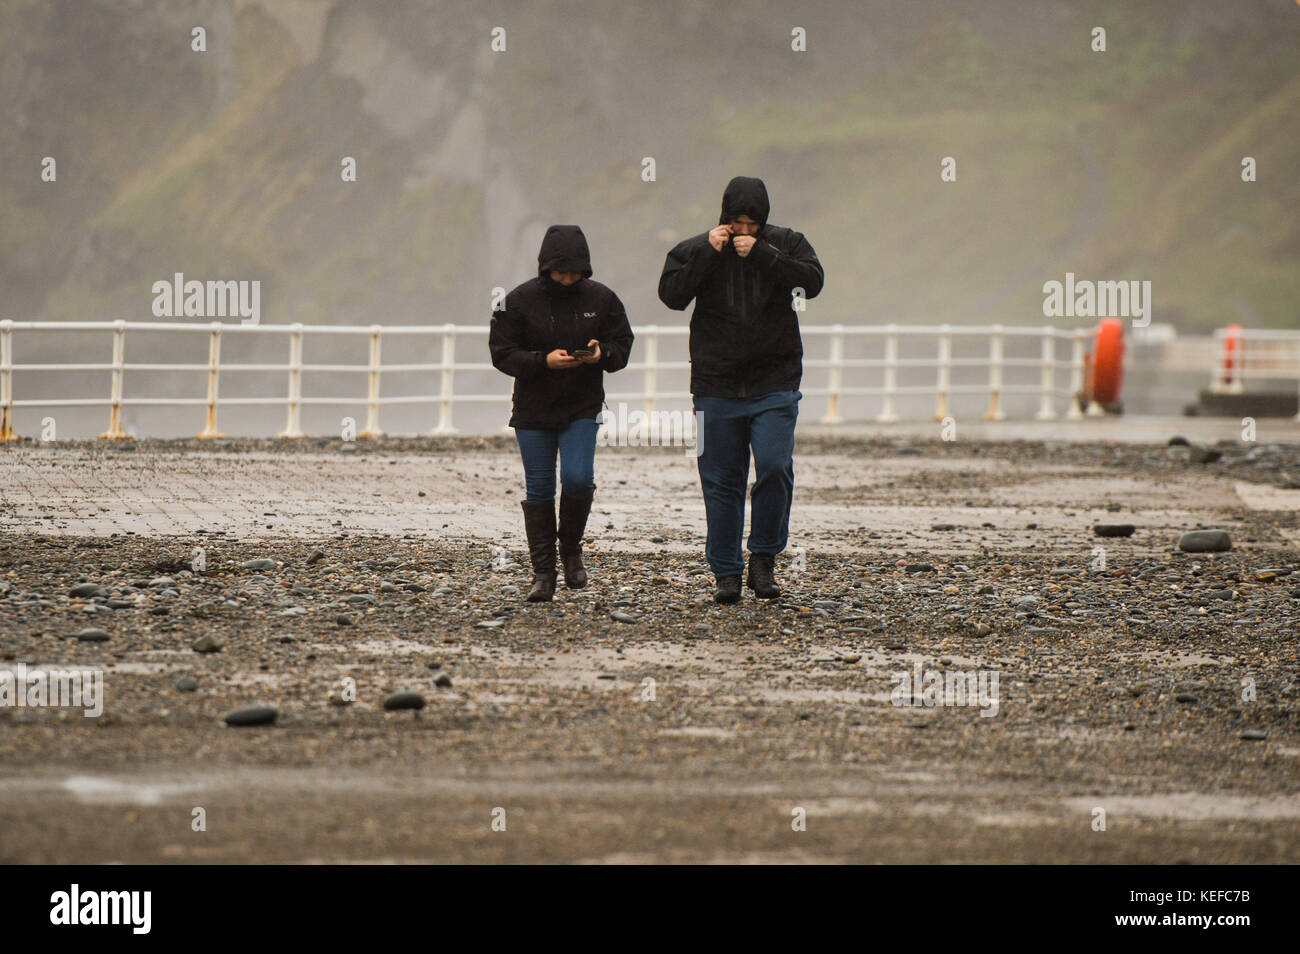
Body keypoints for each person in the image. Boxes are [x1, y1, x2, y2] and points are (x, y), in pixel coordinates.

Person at [658, 176, 824, 604]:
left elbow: (812, 283)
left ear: (764, 221)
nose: (744, 231)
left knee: (773, 467)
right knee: (720, 480)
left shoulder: (787, 243)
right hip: (716, 384)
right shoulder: (699, 248)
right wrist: (706, 253)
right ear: (724, 219)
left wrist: (766, 255)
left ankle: (764, 558)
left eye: (752, 223)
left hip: (775, 381)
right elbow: (672, 296)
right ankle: (726, 573)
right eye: (737, 223)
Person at [489, 225, 634, 602]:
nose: (568, 279)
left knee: (578, 480)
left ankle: (570, 548)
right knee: (539, 489)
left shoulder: (603, 299)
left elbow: (622, 344)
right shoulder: (517, 301)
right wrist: (544, 362)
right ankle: (543, 574)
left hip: (581, 407)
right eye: (560, 272)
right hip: (533, 410)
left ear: (585, 269)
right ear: (545, 267)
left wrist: (603, 354)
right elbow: (502, 353)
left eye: (575, 273)